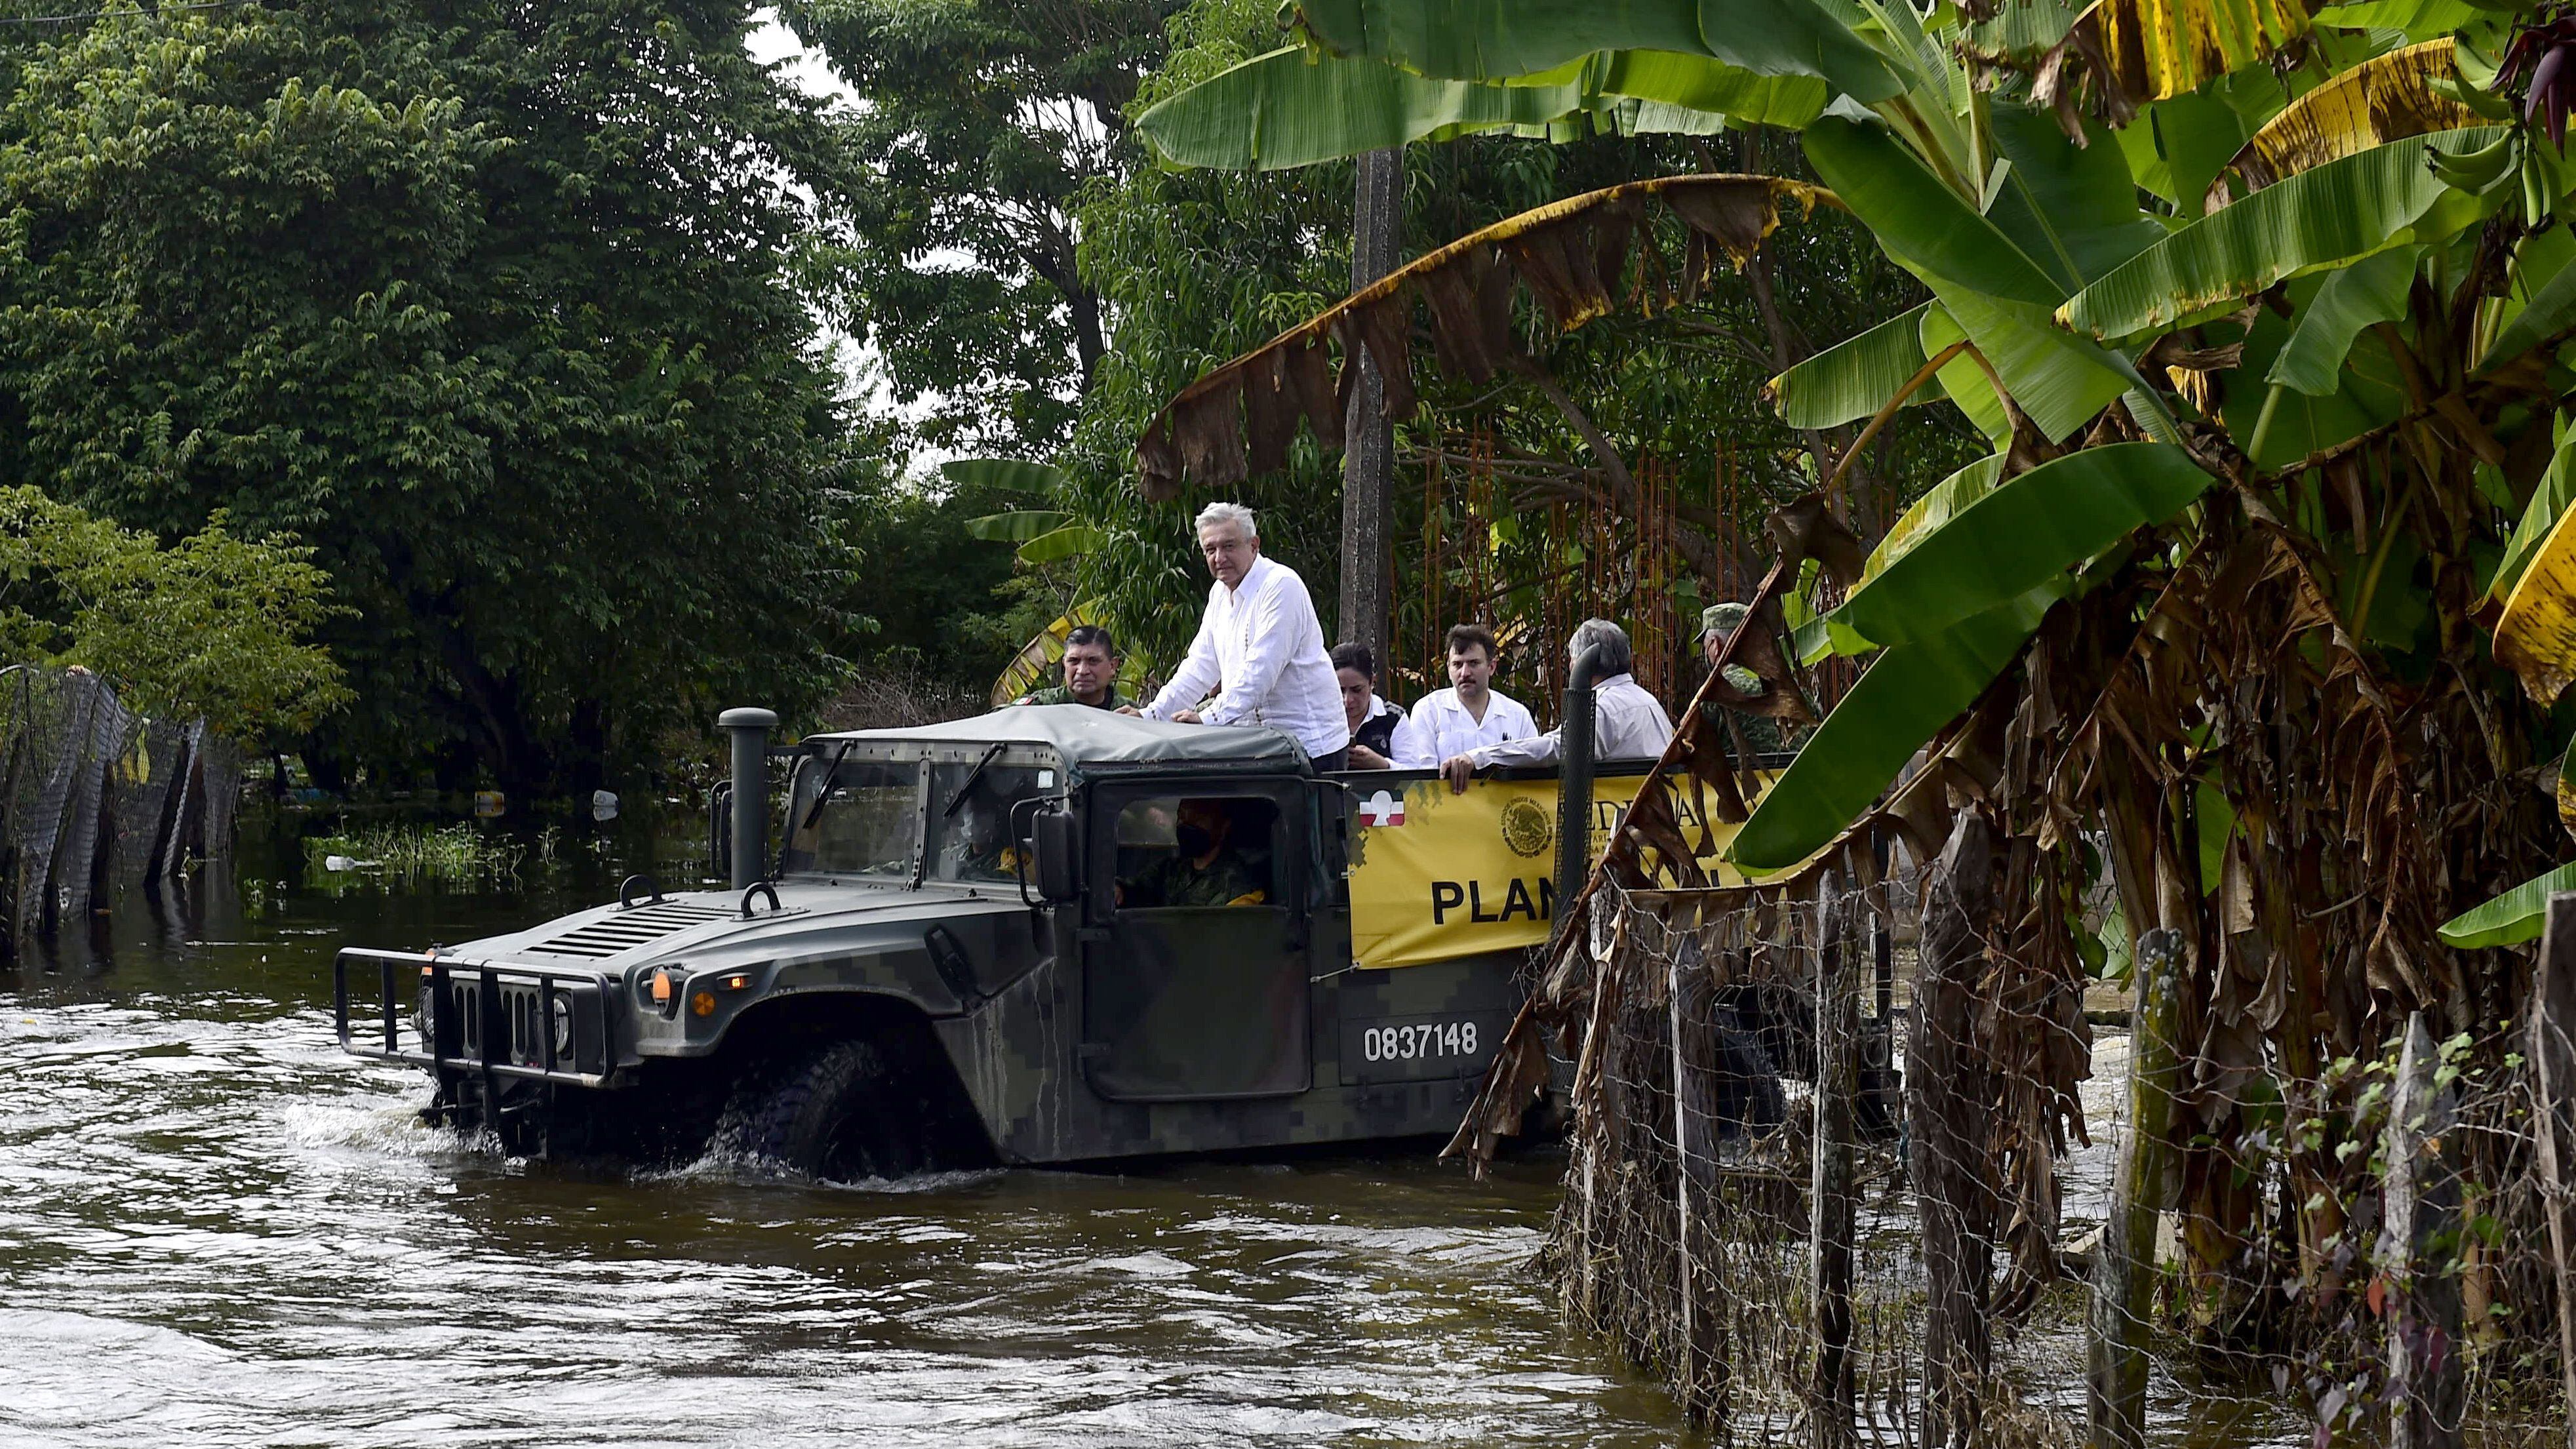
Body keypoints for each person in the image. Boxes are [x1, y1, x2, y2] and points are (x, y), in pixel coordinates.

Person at [1133, 502, 1351, 768]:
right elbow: (1199, 666)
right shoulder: (1219, 595)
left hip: (1310, 748)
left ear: (1254, 545)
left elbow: (1261, 671)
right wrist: (1151, 715)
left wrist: (1208, 718)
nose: (1219, 557)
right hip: (1257, 747)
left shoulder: (1281, 585)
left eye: (1229, 546)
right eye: (1210, 550)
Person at [1438, 618, 1673, 793]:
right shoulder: (1650, 702)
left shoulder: (1602, 708)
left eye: (1572, 659)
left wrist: (1480, 757)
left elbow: (1555, 748)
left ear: (1585, 662)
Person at [1396, 623, 1535, 767]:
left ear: (1491, 667)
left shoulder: (1518, 716)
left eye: (1474, 663)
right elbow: (1422, 778)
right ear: (1449, 668)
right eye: (1457, 664)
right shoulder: (1429, 711)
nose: (1465, 673)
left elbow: (1533, 772)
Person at [1699, 602, 1808, 757]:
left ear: (1716, 646)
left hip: (1748, 780)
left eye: (1706, 646)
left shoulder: (1715, 696)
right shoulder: (1794, 689)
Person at [1127, 799, 1269, 907]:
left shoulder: (1237, 885)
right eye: (1182, 817)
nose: (1186, 825)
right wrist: (1121, 889)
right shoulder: (1172, 869)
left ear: (1224, 826)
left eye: (1197, 819)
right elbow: (1138, 888)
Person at [1332, 643, 1414, 769]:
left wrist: (1383, 764)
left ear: (1372, 682)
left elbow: (1414, 773)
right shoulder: (1320, 717)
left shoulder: (1394, 718)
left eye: (1357, 690)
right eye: (1340, 691)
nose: (1347, 700)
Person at [1014, 625, 1130, 710]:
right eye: (1074, 661)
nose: (1082, 671)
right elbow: (1000, 718)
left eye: (1093, 661)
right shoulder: (1042, 706)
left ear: (1112, 666)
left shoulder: (1131, 715)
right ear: (1065, 664)